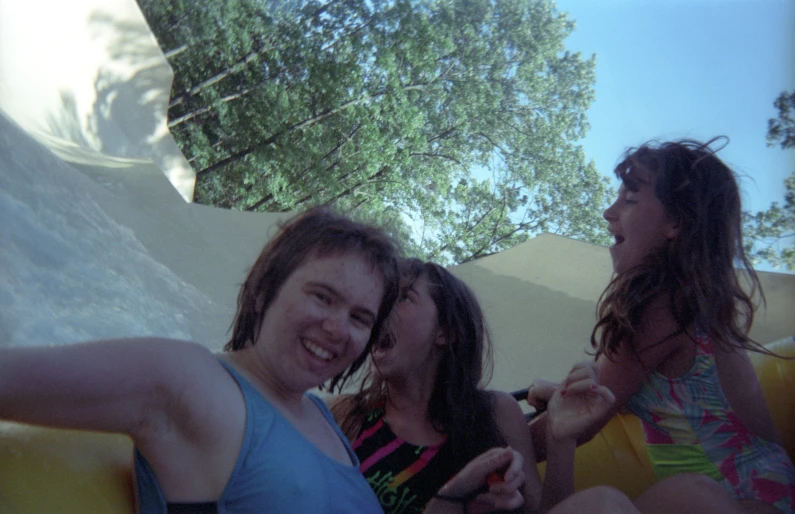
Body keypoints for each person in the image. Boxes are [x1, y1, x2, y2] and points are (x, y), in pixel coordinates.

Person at [0, 207, 527, 514]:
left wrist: (452, 500)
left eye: (361, 317)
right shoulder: (189, 382)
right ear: (265, 289)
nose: (338, 328)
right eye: (322, 296)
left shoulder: (323, 416)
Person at [527, 139, 795, 513]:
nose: (608, 212)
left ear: (676, 222)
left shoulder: (660, 304)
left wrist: (472, 447)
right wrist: (558, 391)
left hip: (734, 500)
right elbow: (631, 394)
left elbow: (584, 423)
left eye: (630, 200)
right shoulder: (697, 303)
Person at [332, 258, 617, 514]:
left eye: (403, 297)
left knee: (604, 503)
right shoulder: (345, 415)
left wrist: (560, 440)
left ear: (446, 332)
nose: (380, 310)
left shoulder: (494, 412)